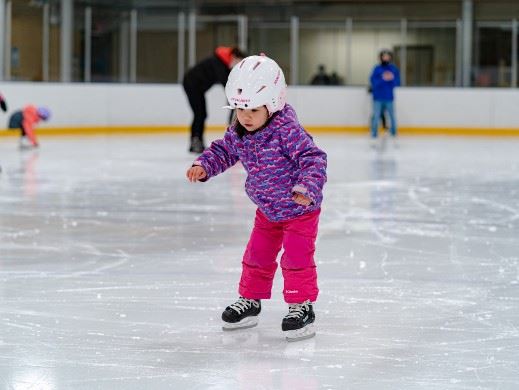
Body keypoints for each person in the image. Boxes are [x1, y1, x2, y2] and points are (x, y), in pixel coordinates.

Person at [186, 54, 327, 341]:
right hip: (268, 209)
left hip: (299, 209)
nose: (245, 117)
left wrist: (306, 189)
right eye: (239, 110)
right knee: (256, 256)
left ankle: (302, 306)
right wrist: (204, 166)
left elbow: (314, 159)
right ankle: (250, 301)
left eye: (252, 109)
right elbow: (224, 151)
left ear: (273, 103)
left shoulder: (286, 130)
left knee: (296, 258)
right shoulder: (239, 130)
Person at [183, 46, 246, 154]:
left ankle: (197, 141)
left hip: (198, 88)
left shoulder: (222, 62)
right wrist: (234, 98)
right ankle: (195, 141)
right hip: (191, 84)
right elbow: (226, 83)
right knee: (199, 114)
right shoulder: (218, 62)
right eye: (238, 62)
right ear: (234, 57)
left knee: (202, 114)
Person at [369, 49, 400, 146]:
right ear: (381, 57)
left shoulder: (393, 69)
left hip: (389, 98)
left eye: (388, 56)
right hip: (378, 97)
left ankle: (394, 134)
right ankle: (374, 135)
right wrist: (383, 79)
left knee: (392, 116)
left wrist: (391, 79)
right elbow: (373, 82)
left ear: (390, 57)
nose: (386, 58)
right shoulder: (376, 69)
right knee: (376, 116)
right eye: (384, 56)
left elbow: (397, 82)